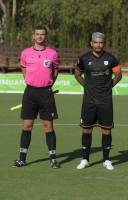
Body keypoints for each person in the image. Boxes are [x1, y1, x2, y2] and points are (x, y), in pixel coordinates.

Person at [13, 26, 60, 168]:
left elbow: (55, 71)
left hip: (46, 93)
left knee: (48, 126)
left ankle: (53, 159)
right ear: (33, 36)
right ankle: (22, 158)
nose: (40, 36)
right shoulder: (25, 53)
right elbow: (23, 69)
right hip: (30, 93)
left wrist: (48, 84)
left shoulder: (52, 53)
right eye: (37, 34)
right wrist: (31, 81)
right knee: (27, 125)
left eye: (42, 34)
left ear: (45, 37)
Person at [74, 32, 122, 170]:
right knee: (87, 130)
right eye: (96, 42)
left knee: (106, 131)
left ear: (104, 43)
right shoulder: (84, 59)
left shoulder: (110, 58)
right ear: (91, 43)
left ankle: (106, 160)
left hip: (105, 101)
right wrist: (86, 86)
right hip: (89, 101)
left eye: (101, 42)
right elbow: (77, 74)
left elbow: (118, 75)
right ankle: (85, 159)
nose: (98, 45)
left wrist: (109, 86)